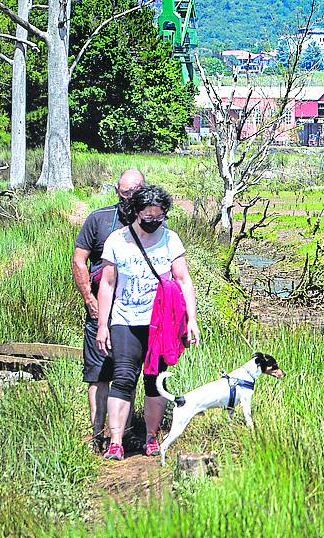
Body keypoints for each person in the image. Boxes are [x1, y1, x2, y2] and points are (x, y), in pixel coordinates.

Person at [96, 184, 200, 460]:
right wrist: (103, 325)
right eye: (148, 216)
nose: (154, 221)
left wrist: (191, 319)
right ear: (136, 212)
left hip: (161, 324)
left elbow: (183, 280)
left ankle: (151, 438)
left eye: (159, 216)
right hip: (125, 320)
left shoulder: (171, 240)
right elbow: (107, 284)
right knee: (123, 378)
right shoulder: (117, 241)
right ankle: (116, 442)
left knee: (155, 380)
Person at [72, 169, 144, 449]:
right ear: (117, 192)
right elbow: (79, 260)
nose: (129, 198)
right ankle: (96, 435)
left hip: (134, 314)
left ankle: (124, 433)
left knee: (127, 373)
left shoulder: (149, 222)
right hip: (99, 311)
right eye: (124, 193)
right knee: (98, 375)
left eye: (134, 193)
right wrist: (89, 299)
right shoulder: (99, 219)